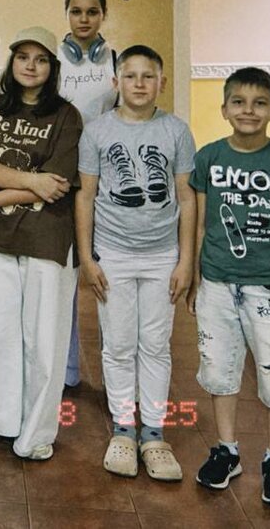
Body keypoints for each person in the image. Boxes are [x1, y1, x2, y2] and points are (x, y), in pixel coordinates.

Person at [189, 67, 270, 508]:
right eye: (238, 102)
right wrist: (195, 276)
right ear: (224, 109)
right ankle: (227, 450)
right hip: (217, 283)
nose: (248, 110)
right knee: (219, 369)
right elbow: (200, 224)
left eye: (260, 103)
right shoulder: (208, 158)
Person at [75, 45, 196, 480]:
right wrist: (87, 257)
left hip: (163, 255)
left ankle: (155, 434)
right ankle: (124, 429)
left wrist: (186, 260)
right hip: (114, 254)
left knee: (156, 343)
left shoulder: (176, 131)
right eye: (130, 76)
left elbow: (187, 198)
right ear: (116, 82)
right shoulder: (97, 132)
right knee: (119, 343)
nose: (139, 84)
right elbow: (85, 196)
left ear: (161, 82)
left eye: (148, 76)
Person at [0, 26, 82, 459]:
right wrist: (31, 182)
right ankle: (0, 416)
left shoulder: (67, 115)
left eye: (41, 59)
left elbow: (58, 184)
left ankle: (36, 433)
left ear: (52, 67)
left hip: (47, 238)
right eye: (23, 57)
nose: (31, 66)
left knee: (43, 339)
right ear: (11, 62)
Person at [56, 0, 116, 389]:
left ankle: (116, 373)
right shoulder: (53, 61)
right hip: (62, 179)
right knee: (65, 280)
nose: (84, 19)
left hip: (106, 183)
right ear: (67, 14)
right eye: (76, 12)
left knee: (107, 277)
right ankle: (67, 371)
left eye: (92, 12)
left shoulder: (117, 61)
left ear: (103, 15)